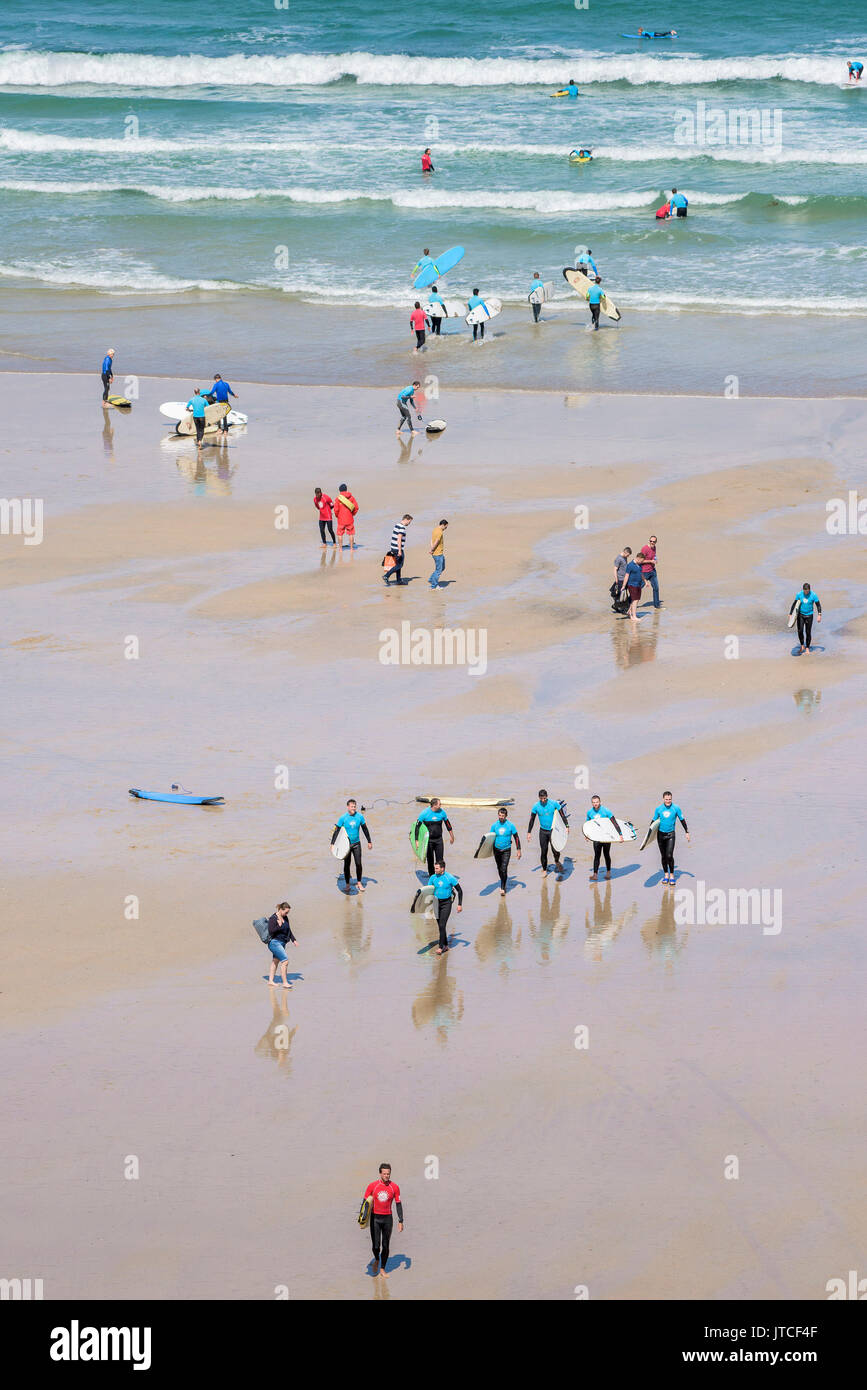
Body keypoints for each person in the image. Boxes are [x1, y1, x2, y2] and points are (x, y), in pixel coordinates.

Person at [362, 1164, 404, 1278]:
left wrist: (401, 1221)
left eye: (388, 1174)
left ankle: (382, 1268)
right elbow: (365, 1203)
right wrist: (363, 1219)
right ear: (380, 1173)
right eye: (384, 1173)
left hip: (387, 1219)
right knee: (376, 1246)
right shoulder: (373, 1186)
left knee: (386, 1246)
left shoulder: (394, 1187)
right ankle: (376, 1259)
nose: (386, 1176)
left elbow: (398, 1204)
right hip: (375, 1218)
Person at [331, 798, 372, 893]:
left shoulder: (360, 817)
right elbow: (337, 831)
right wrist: (332, 844)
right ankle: (348, 884)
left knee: (358, 864)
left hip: (357, 844)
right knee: (347, 865)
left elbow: (365, 829)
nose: (354, 808)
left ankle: (359, 883)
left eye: (355, 806)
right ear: (348, 807)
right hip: (346, 846)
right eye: (352, 806)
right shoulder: (343, 818)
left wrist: (369, 841)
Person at [651, 791, 689, 886]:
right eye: (666, 799)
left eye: (669, 799)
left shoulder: (676, 808)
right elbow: (653, 821)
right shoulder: (658, 809)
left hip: (671, 835)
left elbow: (682, 820)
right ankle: (666, 875)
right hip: (660, 835)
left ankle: (672, 875)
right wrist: (648, 835)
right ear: (663, 799)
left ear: (671, 799)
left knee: (669, 855)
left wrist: (687, 832)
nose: (668, 801)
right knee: (663, 856)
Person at [527, 789, 567, 876]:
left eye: (544, 798)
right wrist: (529, 832)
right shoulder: (536, 806)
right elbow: (532, 819)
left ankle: (556, 861)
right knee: (543, 851)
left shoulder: (554, 803)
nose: (543, 800)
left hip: (553, 831)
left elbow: (562, 815)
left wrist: (567, 826)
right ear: (539, 797)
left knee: (556, 850)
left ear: (547, 796)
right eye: (541, 798)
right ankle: (544, 869)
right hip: (543, 831)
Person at [428, 859, 462, 955]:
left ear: (442, 868)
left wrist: (459, 904)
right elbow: (428, 891)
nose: (435, 870)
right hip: (436, 902)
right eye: (435, 868)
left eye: (437, 868)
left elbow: (460, 891)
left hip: (446, 903)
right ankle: (446, 945)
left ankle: (440, 946)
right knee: (440, 926)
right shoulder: (432, 878)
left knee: (442, 925)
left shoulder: (449, 878)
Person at [489, 805, 521, 897]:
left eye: (502, 816)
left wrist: (519, 850)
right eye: (499, 815)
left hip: (506, 850)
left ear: (506, 816)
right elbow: (490, 837)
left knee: (503, 868)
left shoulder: (511, 825)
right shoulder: (494, 825)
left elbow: (516, 837)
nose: (501, 817)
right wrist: (486, 850)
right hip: (496, 850)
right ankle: (503, 881)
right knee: (499, 869)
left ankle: (502, 887)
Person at [416, 797, 454, 873]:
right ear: (434, 805)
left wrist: (452, 836)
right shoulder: (424, 813)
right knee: (430, 860)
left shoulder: (442, 812)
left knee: (440, 861)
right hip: (428, 841)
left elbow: (448, 824)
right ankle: (432, 877)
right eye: (440, 804)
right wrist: (417, 840)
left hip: (439, 840)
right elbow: (417, 827)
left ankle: (441, 876)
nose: (441, 805)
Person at [265, 902, 297, 988]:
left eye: (288, 912)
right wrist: (279, 925)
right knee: (285, 961)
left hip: (282, 943)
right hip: (274, 943)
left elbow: (288, 930)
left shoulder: (285, 918)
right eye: (286, 912)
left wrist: (293, 940)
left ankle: (270, 981)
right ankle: (285, 982)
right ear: (280, 909)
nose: (287, 914)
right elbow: (271, 931)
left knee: (275, 961)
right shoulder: (273, 918)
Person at [585, 795, 615, 882]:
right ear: (592, 803)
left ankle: (608, 872)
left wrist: (619, 835)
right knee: (597, 856)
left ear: (600, 802)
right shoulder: (590, 812)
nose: (595, 804)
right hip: (596, 837)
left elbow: (614, 822)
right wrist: (586, 835)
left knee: (606, 854)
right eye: (593, 802)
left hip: (606, 837)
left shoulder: (606, 810)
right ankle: (595, 875)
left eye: (597, 802)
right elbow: (587, 825)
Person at [789, 582, 822, 654]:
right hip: (800, 615)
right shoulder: (799, 594)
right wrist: (791, 614)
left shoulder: (813, 595)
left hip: (809, 616)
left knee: (808, 632)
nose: (806, 593)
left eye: (807, 591)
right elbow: (794, 604)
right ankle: (802, 646)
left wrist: (819, 614)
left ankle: (807, 647)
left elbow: (818, 605)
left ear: (809, 590)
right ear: (803, 590)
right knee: (800, 630)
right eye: (805, 591)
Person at [384, 513, 412, 585]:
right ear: (406, 519)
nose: (409, 524)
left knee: (398, 564)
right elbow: (399, 539)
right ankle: (386, 576)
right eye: (409, 522)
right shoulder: (402, 528)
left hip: (393, 548)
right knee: (399, 565)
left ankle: (399, 580)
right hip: (397, 549)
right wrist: (399, 550)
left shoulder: (397, 525)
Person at [637, 534, 661, 607]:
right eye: (651, 541)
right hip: (645, 572)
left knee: (656, 588)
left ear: (656, 542)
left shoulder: (654, 548)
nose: (652, 543)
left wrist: (655, 560)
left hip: (652, 571)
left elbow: (654, 556)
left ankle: (657, 606)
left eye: (653, 541)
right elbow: (640, 561)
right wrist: (651, 561)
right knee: (638, 588)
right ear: (649, 541)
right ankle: (630, 603)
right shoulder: (645, 549)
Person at [333, 483, 359, 550]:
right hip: (349, 519)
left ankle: (341, 549)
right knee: (351, 533)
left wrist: (337, 516)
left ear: (340, 491)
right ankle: (351, 548)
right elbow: (356, 507)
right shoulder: (351, 498)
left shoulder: (338, 499)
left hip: (341, 519)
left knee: (340, 534)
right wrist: (352, 514)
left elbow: (336, 510)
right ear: (346, 489)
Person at [623, 548, 644, 621]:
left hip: (638, 585)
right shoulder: (630, 565)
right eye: (641, 561)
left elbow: (641, 574)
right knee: (634, 600)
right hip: (632, 585)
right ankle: (634, 616)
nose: (642, 562)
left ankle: (630, 612)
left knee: (637, 600)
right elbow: (626, 576)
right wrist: (623, 586)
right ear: (638, 558)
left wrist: (645, 581)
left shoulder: (640, 565)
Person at [612, 546, 632, 612]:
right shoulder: (619, 559)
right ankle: (621, 608)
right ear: (625, 552)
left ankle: (618, 607)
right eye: (628, 555)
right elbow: (615, 569)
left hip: (625, 578)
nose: (628, 556)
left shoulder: (624, 557)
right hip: (620, 579)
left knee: (623, 594)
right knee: (622, 595)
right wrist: (616, 579)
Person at [429, 518, 448, 588]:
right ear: (443, 525)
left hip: (438, 553)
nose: (446, 528)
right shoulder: (440, 532)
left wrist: (431, 549)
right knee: (438, 570)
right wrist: (432, 550)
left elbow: (431, 540)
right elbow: (436, 541)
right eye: (446, 527)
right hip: (438, 554)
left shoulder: (435, 529)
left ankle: (431, 579)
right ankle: (434, 586)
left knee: (442, 567)